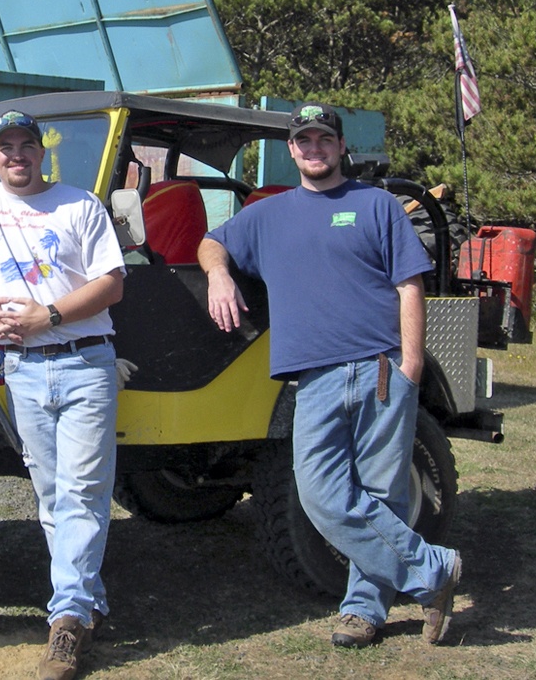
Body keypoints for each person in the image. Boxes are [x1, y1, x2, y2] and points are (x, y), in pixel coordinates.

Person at [197, 102, 462, 648]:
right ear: (291, 150)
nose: (313, 149)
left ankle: (363, 609)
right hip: (312, 378)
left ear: (341, 147)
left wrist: (411, 362)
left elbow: (409, 284)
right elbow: (210, 242)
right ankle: (434, 570)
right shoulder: (270, 214)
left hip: (381, 369)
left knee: (382, 493)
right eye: (303, 141)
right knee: (320, 493)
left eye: (324, 139)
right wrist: (219, 276)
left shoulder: (377, 206)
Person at [0, 110, 125, 680]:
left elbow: (112, 283)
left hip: (84, 362)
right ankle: (89, 603)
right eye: (5, 146)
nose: (16, 154)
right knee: (53, 495)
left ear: (43, 152)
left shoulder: (79, 206)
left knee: (83, 492)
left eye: (26, 145)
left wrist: (51, 315)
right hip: (24, 370)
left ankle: (65, 622)